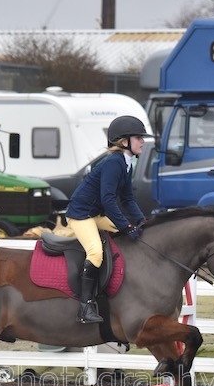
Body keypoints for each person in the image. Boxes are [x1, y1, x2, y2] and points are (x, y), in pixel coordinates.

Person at [64, 115, 150, 324]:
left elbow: (128, 198)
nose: (143, 142)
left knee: (122, 238)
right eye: (138, 138)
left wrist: (141, 221)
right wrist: (126, 226)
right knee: (95, 251)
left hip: (95, 215)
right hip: (80, 215)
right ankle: (84, 307)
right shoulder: (114, 162)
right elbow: (108, 200)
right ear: (124, 142)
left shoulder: (126, 163)